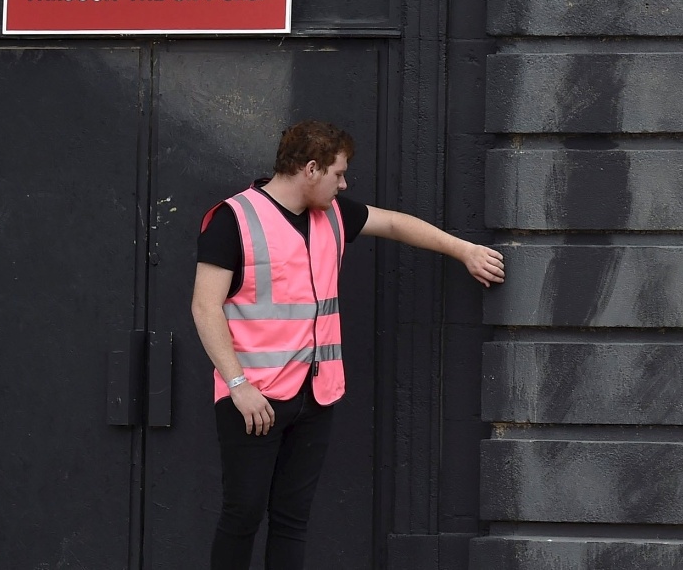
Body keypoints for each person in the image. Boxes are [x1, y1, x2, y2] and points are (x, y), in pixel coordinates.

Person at [191, 120, 506, 570]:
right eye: (339, 174)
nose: (345, 184)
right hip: (253, 400)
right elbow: (205, 308)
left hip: (315, 396)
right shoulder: (233, 219)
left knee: (291, 520)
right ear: (311, 169)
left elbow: (396, 224)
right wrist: (238, 384)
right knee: (242, 515)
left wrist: (464, 251)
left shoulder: (333, 215)